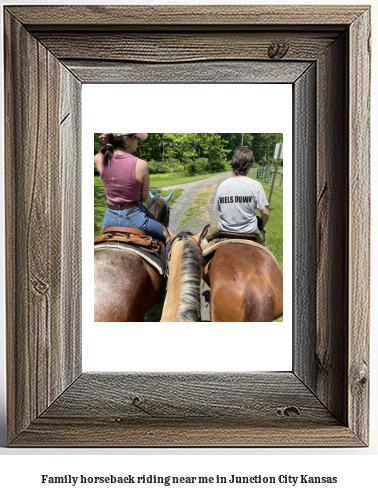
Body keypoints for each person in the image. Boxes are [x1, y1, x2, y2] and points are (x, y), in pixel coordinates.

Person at [94, 133, 168, 243]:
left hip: (109, 220)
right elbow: (143, 197)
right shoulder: (141, 164)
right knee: (169, 237)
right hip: (135, 218)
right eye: (136, 138)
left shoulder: (100, 159)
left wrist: (106, 142)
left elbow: (100, 153)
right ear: (127, 140)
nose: (138, 141)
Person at [208, 146, 269, 245]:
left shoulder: (222, 185)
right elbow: (265, 213)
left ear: (233, 164)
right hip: (250, 230)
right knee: (264, 248)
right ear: (249, 166)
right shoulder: (256, 185)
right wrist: (262, 226)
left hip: (224, 228)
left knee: (203, 241)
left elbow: (219, 210)